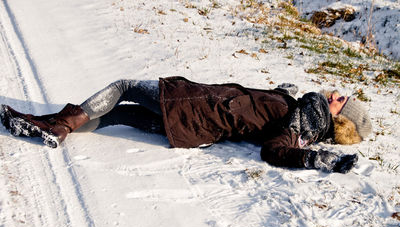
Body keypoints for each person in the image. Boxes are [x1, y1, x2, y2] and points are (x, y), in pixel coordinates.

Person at [0, 76, 372, 173]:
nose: (334, 94)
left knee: (123, 87)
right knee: (116, 114)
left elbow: (274, 150)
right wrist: (279, 93)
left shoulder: (301, 124)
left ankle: (58, 127)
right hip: (196, 128)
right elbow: (263, 115)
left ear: (341, 121)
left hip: (195, 109)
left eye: (341, 101)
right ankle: (42, 124)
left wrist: (315, 160)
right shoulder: (302, 114)